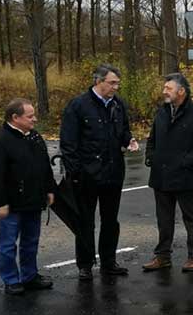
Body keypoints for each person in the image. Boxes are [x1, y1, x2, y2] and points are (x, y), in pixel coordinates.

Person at [59, 64, 140, 280]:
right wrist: (76, 172)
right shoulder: (78, 106)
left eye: (117, 83)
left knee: (110, 220)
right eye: (112, 83)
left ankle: (108, 261)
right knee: (85, 221)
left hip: (113, 173)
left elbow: (124, 130)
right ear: (98, 81)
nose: (116, 87)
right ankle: (85, 264)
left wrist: (128, 140)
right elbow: (68, 143)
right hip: (87, 175)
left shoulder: (118, 105)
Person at [142, 73, 193, 273]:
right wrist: (151, 156)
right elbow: (152, 138)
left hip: (186, 176)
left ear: (181, 91)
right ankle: (162, 256)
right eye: (165, 87)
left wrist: (186, 161)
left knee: (191, 218)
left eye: (169, 88)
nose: (164, 91)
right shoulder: (162, 112)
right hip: (161, 175)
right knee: (163, 219)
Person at [0, 98, 56, 295]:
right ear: (15, 117)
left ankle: (30, 276)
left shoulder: (34, 137)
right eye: (30, 116)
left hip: (33, 200)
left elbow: (44, 166)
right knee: (8, 244)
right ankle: (11, 280)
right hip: (12, 204)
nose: (34, 120)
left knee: (31, 242)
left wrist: (49, 189)